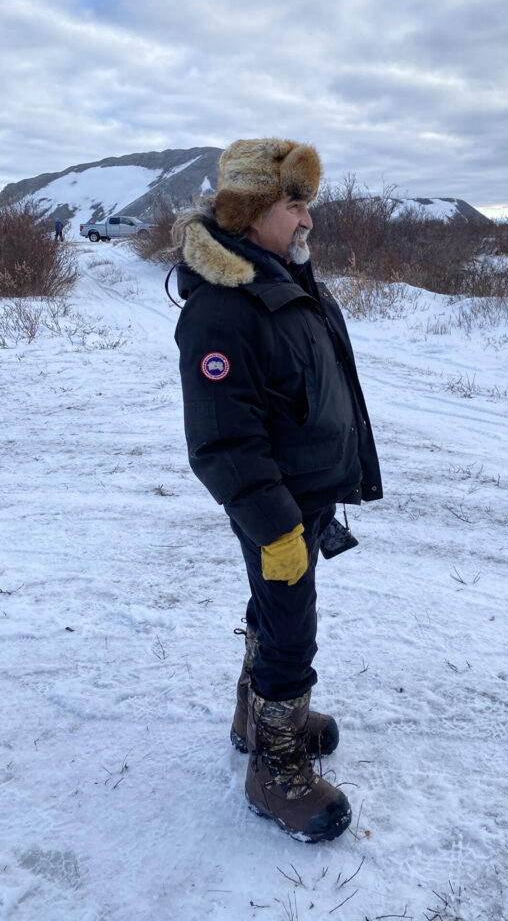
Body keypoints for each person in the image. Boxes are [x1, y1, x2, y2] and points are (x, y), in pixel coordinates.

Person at [172, 138, 382, 843]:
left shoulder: (283, 277)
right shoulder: (222, 309)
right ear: (252, 211)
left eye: (306, 205)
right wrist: (276, 525)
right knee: (292, 629)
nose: (308, 220)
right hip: (274, 506)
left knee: (274, 608)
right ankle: (276, 766)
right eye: (294, 205)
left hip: (305, 494)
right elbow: (222, 441)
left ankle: (254, 717)